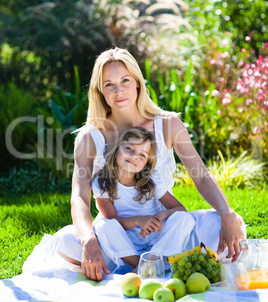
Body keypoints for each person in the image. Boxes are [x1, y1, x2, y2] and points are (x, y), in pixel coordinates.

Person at [55, 47, 246, 281]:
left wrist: (226, 214)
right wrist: (88, 241)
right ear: (100, 91)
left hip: (163, 230)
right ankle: (157, 264)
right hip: (117, 232)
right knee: (65, 242)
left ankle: (150, 262)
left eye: (125, 80)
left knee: (228, 224)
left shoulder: (168, 125)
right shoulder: (89, 137)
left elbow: (201, 176)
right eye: (109, 85)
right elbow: (79, 196)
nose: (118, 91)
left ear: (137, 82)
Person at [91, 126, 195, 272]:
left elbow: (180, 209)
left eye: (142, 155)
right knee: (103, 225)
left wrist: (163, 214)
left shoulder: (152, 180)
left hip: (157, 236)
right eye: (129, 148)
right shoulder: (101, 182)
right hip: (126, 240)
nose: (134, 156)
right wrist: (138, 220)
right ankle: (142, 265)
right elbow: (112, 219)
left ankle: (153, 259)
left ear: (147, 163)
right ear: (116, 150)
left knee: (184, 218)